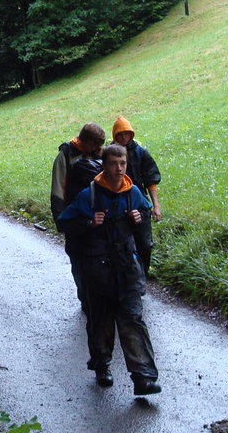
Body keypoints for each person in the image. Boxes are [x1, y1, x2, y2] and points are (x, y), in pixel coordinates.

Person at [58, 144, 161, 395]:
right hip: (98, 271)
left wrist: (140, 219)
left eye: (122, 163)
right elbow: (64, 223)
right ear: (104, 165)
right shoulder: (89, 195)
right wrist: (89, 222)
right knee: (101, 321)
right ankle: (102, 365)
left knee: (133, 320)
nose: (119, 168)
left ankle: (144, 378)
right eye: (114, 163)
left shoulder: (133, 192)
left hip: (127, 268)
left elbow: (144, 225)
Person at [50, 123, 106, 311]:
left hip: (98, 216)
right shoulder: (65, 155)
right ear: (85, 141)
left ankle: (99, 298)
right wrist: (62, 220)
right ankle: (85, 300)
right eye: (95, 144)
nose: (98, 148)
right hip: (74, 217)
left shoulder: (98, 153)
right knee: (77, 258)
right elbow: (57, 190)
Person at [111, 115, 162, 279]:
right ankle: (125, 279)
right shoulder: (109, 154)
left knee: (144, 244)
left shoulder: (140, 153)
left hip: (140, 206)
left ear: (131, 134)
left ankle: (143, 276)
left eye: (126, 133)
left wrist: (156, 205)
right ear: (115, 136)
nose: (123, 137)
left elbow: (150, 179)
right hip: (117, 206)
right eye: (120, 134)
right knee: (119, 245)